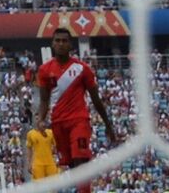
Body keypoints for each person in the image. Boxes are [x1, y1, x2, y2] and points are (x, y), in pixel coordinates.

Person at [35, 28, 118, 193]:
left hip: (79, 120)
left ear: (70, 44)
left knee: (81, 159)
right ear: (52, 44)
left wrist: (108, 124)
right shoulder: (44, 70)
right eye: (57, 40)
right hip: (58, 123)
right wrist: (40, 119)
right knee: (72, 164)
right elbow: (44, 100)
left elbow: (96, 99)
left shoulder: (82, 69)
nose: (60, 44)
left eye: (64, 41)